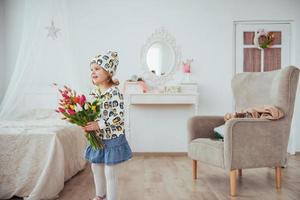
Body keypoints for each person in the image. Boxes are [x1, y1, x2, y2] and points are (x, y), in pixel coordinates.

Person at [83, 51, 132, 200]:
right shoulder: (94, 92)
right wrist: (85, 123)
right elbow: (88, 111)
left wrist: (99, 124)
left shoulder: (114, 93)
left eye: (97, 68)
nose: (93, 72)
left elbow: (117, 117)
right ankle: (100, 196)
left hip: (112, 137)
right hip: (98, 137)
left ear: (108, 72)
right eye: (92, 69)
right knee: (95, 167)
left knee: (110, 172)